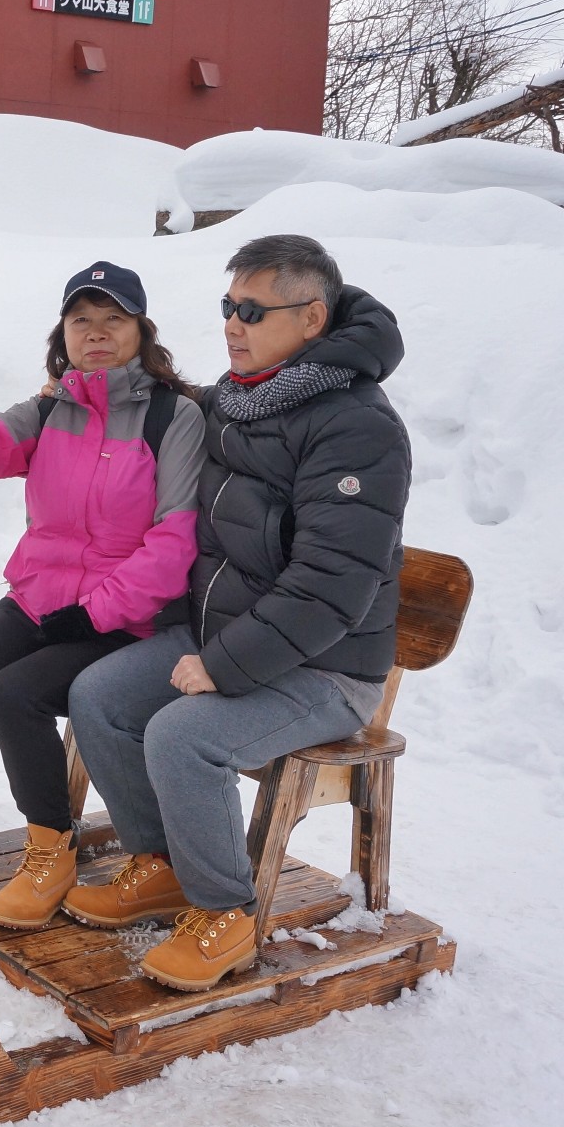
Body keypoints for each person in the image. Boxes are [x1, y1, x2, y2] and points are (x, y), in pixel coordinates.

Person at [63, 234, 411, 993]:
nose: (232, 323)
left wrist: (221, 665)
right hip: (232, 633)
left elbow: (330, 589)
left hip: (327, 666)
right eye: (227, 306)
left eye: (252, 310)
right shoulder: (243, 396)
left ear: (312, 317)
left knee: (183, 734)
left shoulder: (357, 427)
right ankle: (159, 864)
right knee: (95, 694)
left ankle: (225, 914)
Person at [0, 261, 204, 931]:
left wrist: (97, 610)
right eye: (80, 319)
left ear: (140, 330)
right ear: (63, 332)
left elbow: (175, 542)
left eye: (112, 319)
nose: (95, 332)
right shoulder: (53, 407)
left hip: (123, 617)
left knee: (16, 691)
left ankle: (49, 852)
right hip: (41, 597)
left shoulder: (173, 417)